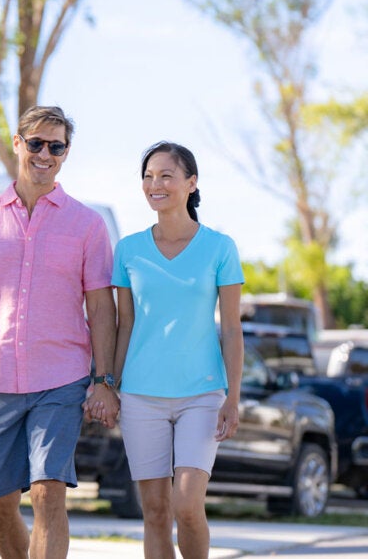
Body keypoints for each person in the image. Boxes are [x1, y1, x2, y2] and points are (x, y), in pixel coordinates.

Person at [0, 106, 119, 559]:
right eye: (37, 143)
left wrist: (104, 379)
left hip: (61, 378)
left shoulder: (87, 225)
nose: (45, 154)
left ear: (66, 153)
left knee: (47, 491)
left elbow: (101, 307)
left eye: (56, 146)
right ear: (18, 143)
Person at [111, 141, 243, 559]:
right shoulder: (128, 249)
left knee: (186, 505)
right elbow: (124, 324)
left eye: (166, 175)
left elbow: (233, 328)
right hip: (140, 395)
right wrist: (110, 386)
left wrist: (233, 397)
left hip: (201, 394)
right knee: (154, 511)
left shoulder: (220, 247)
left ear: (191, 182)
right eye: (148, 176)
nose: (155, 184)